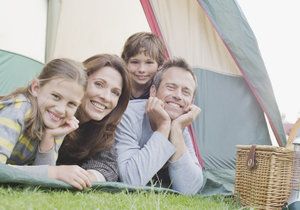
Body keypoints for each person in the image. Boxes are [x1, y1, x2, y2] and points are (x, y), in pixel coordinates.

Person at [115, 58, 204, 195]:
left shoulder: (180, 123)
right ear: (153, 92)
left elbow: (190, 189)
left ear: (191, 102)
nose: (178, 96)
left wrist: (176, 129)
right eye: (171, 87)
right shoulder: (129, 115)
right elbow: (131, 181)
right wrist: (163, 126)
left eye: (186, 92)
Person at [0, 58, 86, 180]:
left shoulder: (57, 123)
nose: (61, 110)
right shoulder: (18, 109)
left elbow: (43, 179)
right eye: (56, 96)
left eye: (71, 104)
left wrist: (49, 137)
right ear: (36, 88)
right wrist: (55, 173)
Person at [56, 54, 131, 189]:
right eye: (99, 84)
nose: (106, 97)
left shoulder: (102, 129)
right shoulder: (54, 112)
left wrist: (86, 176)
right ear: (80, 81)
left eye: (115, 92)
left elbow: (107, 167)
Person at [121, 32, 166, 99]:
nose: (141, 69)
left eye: (149, 63)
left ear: (160, 65)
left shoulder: (161, 92)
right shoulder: (118, 86)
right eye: (135, 62)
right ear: (125, 62)